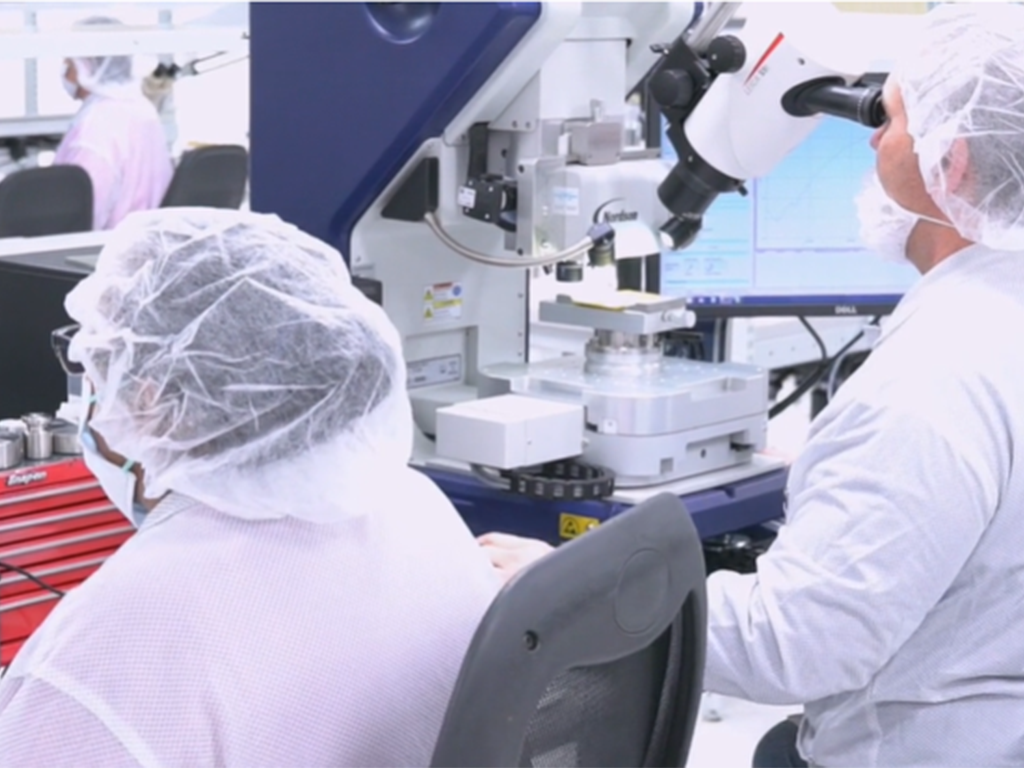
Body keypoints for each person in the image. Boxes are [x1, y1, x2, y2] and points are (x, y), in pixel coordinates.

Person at [480, 5, 1024, 766]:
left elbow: (796, 643)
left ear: (951, 163)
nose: (873, 138)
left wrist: (562, 590)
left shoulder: (935, 376)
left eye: (892, 117)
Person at [0, 208, 500, 766]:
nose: (88, 401)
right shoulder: (418, 506)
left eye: (96, 368)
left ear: (151, 401)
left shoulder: (120, 642)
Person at [54, 16, 173, 231]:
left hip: (107, 246)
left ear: (87, 67)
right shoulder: (142, 108)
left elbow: (79, 217)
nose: (64, 70)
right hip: (145, 241)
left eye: (69, 63)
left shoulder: (96, 127)